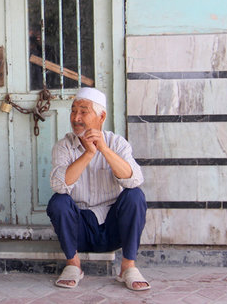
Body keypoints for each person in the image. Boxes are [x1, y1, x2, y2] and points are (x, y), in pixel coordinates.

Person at [47, 87, 150, 291]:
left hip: (113, 227)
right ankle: (73, 264)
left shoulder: (117, 143)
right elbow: (59, 185)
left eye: (83, 111)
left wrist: (103, 149)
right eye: (73, 110)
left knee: (135, 195)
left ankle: (128, 267)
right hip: (81, 229)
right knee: (58, 201)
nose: (76, 117)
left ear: (101, 116)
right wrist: (88, 154)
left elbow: (134, 179)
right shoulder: (64, 146)